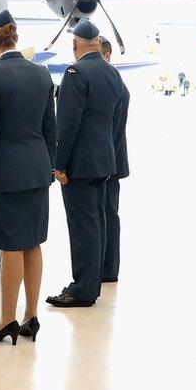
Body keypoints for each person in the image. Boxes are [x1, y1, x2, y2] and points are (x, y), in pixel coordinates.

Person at [0, 10, 56, 344]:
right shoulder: (42, 74)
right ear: (15, 38)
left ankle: (7, 319)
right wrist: (49, 167)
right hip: (36, 171)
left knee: (10, 247)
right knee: (33, 242)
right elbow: (51, 128)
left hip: (5, 175)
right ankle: (31, 316)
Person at [47, 19, 123, 308]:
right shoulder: (111, 73)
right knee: (98, 223)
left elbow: (67, 125)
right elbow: (114, 117)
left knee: (82, 227)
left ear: (75, 45)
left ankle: (82, 289)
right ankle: (92, 282)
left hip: (79, 164)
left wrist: (60, 164)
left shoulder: (76, 73)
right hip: (104, 160)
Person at [99, 37, 130, 283]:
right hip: (109, 162)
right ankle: (105, 267)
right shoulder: (112, 82)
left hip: (109, 164)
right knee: (107, 215)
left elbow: (113, 131)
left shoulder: (115, 84)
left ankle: (108, 269)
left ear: (107, 54)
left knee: (108, 216)